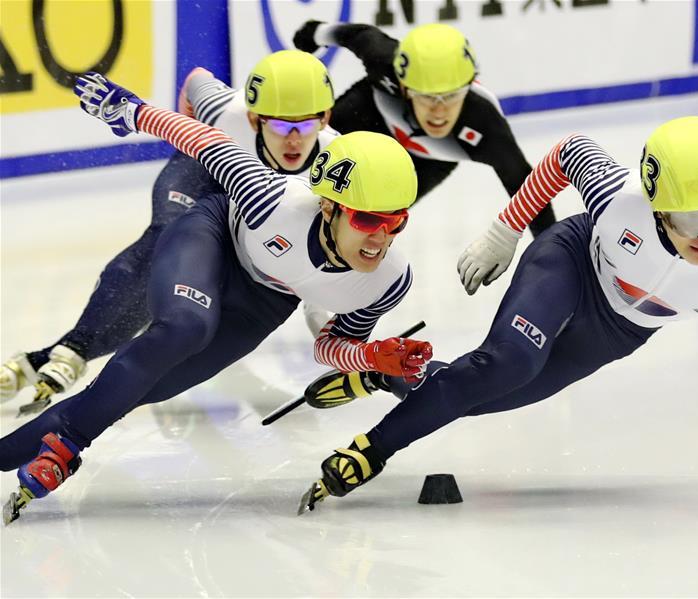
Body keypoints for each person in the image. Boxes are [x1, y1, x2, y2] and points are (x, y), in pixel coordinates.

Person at [296, 116, 698, 511]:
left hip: (619, 330)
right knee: (508, 362)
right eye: (692, 218)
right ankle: (372, 451)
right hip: (568, 263)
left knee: (481, 397)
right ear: (655, 201)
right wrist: (505, 231)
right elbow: (567, 153)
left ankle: (385, 375)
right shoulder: (619, 202)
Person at [0, 72, 432, 524]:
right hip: (213, 237)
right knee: (186, 327)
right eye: (366, 220)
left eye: (395, 222)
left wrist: (370, 356)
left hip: (265, 301)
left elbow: (329, 347)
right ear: (329, 206)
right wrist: (127, 109)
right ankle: (68, 443)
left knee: (138, 389)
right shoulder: (271, 199)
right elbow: (205, 140)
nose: (380, 238)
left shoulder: (388, 281)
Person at [0, 50, 338, 413]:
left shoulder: (334, 166)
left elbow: (319, 269)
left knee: (183, 296)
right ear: (254, 118)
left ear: (325, 118)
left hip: (247, 206)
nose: (293, 140)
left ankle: (50, 357)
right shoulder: (224, 110)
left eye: (304, 126)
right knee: (166, 240)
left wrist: (336, 346)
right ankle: (75, 350)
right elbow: (196, 78)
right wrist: (185, 133)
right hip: (202, 173)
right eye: (280, 125)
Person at [294, 21, 557, 237]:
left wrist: (554, 256)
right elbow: (358, 34)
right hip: (368, 114)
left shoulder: (484, 125)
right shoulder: (383, 60)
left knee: (370, 217)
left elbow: (530, 194)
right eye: (427, 96)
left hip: (429, 160)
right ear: (404, 87)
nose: (440, 111)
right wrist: (315, 32)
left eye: (453, 95)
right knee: (297, 157)